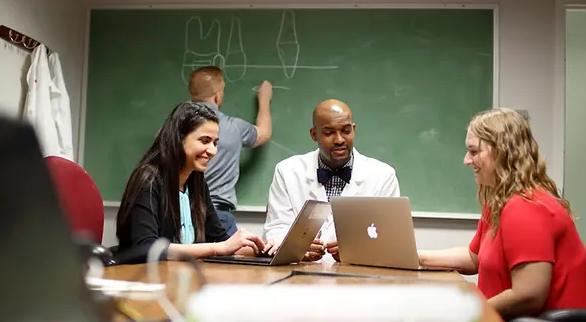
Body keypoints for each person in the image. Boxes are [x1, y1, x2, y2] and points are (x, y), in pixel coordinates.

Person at [418, 108, 586, 320]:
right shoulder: (501, 200)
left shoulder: (526, 207)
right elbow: (474, 257)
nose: (466, 160)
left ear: (502, 152)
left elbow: (528, 295)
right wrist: (416, 257)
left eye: (474, 152)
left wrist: (468, 313)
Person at [115, 102, 267, 264]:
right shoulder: (148, 179)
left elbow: (220, 240)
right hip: (145, 281)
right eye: (204, 140)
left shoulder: (197, 183)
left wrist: (262, 249)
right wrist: (217, 248)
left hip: (182, 279)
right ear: (179, 138)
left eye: (215, 142)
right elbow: (146, 248)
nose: (213, 151)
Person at [263, 99, 400, 262]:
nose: (339, 140)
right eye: (329, 132)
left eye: (346, 131)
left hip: (358, 279)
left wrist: (358, 251)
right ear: (314, 134)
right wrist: (296, 247)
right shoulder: (287, 171)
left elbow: (392, 239)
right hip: (299, 277)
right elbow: (275, 230)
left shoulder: (383, 175)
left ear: (354, 130)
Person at [188, 65, 273, 236]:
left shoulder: (176, 125)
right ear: (218, 95)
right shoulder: (232, 127)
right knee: (226, 261)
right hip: (217, 214)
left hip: (180, 212)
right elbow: (264, 133)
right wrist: (264, 100)